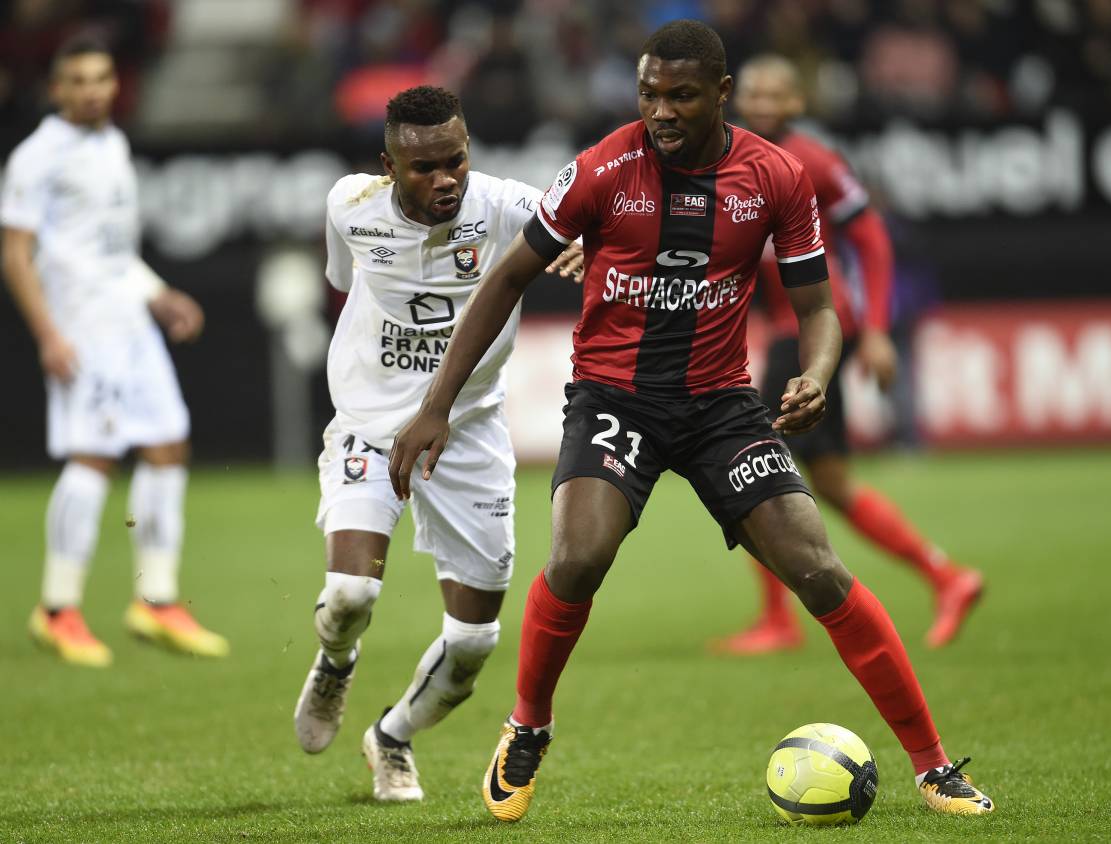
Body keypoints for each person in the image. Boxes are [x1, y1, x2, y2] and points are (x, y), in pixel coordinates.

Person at [390, 20, 994, 821]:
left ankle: (934, 766)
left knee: (819, 569)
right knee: (578, 557)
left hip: (720, 407)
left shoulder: (776, 176)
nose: (661, 111)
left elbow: (817, 307)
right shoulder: (603, 169)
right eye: (649, 93)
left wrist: (817, 374)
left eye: (680, 95)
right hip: (615, 399)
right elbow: (505, 281)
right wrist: (435, 407)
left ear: (721, 94)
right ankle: (528, 724)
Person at [292, 85, 581, 803]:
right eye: (424, 167)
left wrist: (580, 247)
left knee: (475, 642)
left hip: (470, 430)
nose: (446, 178)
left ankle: (392, 736)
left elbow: (577, 223)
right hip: (370, 422)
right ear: (388, 167)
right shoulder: (350, 206)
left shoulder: (507, 206)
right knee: (351, 592)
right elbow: (342, 280)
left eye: (456, 160)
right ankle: (336, 661)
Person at [712, 53, 983, 655]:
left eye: (775, 95)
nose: (761, 104)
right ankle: (947, 576)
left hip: (813, 331)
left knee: (745, 462)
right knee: (829, 482)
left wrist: (879, 329)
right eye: (753, 93)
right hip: (790, 329)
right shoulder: (734, 159)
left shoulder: (812, 160)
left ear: (796, 103)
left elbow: (871, 237)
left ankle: (778, 620)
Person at [1, 36, 228, 668]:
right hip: (83, 326)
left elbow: (112, 250)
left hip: (129, 321)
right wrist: (48, 333)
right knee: (94, 454)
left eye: (100, 78)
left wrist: (158, 294)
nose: (91, 90)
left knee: (167, 444)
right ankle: (57, 609)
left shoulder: (113, 144)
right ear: (56, 89)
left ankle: (155, 600)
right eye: (77, 80)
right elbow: (15, 253)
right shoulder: (37, 156)